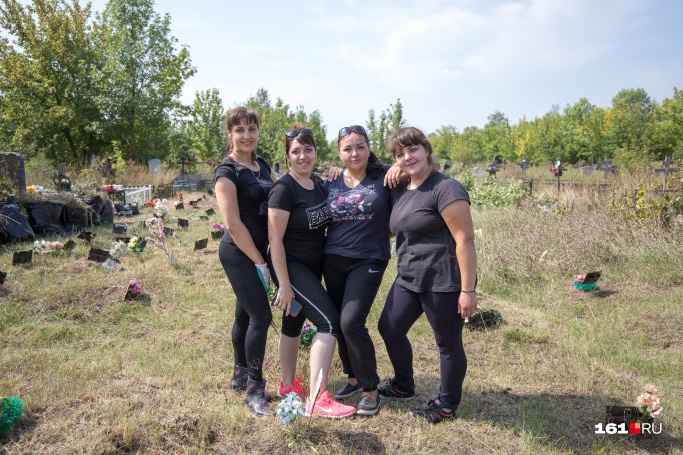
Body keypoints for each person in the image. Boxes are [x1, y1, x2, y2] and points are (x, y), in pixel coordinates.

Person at [377, 126, 478, 424]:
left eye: (413, 150)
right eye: (400, 154)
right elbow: (369, 167)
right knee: (389, 329)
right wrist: (396, 166)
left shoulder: (446, 189)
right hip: (408, 277)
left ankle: (446, 406)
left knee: (447, 344)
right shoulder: (401, 187)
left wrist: (467, 290)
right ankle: (404, 385)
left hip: (443, 280)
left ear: (426, 149)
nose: (408, 157)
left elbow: (465, 240)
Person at [268, 125, 356, 418]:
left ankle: (288, 385)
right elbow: (275, 241)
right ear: (287, 156)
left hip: (315, 265)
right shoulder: (283, 190)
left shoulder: (318, 183)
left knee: (293, 324)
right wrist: (284, 284)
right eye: (296, 151)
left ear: (316, 152)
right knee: (329, 322)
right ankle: (318, 397)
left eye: (308, 150)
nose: (303, 156)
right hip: (292, 267)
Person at [322, 125, 401, 416]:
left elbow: (413, 164)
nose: (354, 153)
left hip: (368, 259)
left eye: (360, 147)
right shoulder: (330, 181)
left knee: (351, 321)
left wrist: (397, 168)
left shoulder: (384, 177)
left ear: (369, 149)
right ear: (339, 153)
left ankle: (370, 389)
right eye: (347, 148)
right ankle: (353, 378)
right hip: (332, 258)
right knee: (337, 320)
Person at [214, 106, 277, 417]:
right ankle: (254, 388)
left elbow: (282, 192)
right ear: (230, 134)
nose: (247, 135)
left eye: (252, 129)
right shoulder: (227, 172)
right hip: (239, 252)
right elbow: (233, 224)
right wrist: (259, 262)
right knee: (261, 317)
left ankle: (239, 374)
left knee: (244, 313)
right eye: (240, 130)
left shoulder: (262, 165)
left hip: (259, 251)